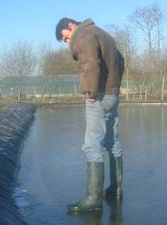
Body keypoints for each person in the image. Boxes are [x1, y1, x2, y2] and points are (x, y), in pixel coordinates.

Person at [55, 17, 124, 213]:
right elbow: (121, 60)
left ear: (70, 26)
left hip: (99, 95)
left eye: (65, 37)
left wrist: (89, 92)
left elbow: (90, 64)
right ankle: (116, 189)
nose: (67, 42)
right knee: (112, 142)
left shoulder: (84, 35)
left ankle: (93, 199)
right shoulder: (102, 33)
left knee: (92, 144)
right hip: (111, 93)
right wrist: (114, 88)